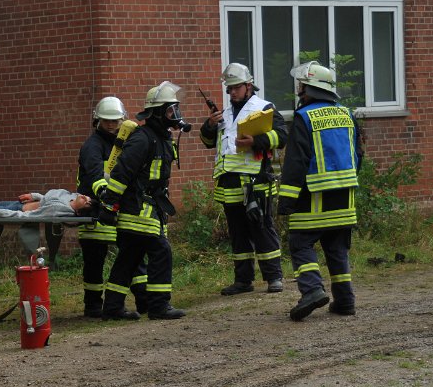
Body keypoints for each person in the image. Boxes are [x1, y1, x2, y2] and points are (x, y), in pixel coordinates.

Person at [97, 81, 188, 321]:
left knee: (129, 258)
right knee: (161, 252)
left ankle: (113, 307)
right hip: (138, 210)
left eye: (176, 110)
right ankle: (159, 305)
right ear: (157, 113)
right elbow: (121, 173)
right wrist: (109, 204)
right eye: (170, 111)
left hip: (147, 209)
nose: (175, 116)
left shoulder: (161, 138)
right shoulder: (142, 139)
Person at [278, 61, 362, 321]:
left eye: (301, 86)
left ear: (310, 89)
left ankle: (312, 290)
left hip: (312, 198)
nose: (299, 91)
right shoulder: (346, 114)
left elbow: (295, 163)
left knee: (300, 242)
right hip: (344, 197)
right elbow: (358, 155)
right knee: (336, 247)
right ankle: (345, 300)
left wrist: (286, 200)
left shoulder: (304, 118)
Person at [199, 63, 287, 296]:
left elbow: (282, 135)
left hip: (256, 180)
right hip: (229, 182)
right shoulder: (224, 115)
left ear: (248, 86)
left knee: (262, 227)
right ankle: (243, 280)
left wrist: (255, 141)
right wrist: (209, 126)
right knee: (237, 231)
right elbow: (209, 143)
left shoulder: (264, 108)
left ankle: (274, 277)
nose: (232, 93)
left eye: (236, 88)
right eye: (229, 89)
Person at [76, 97, 148, 318]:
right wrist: (108, 199)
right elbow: (96, 176)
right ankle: (93, 306)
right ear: (97, 120)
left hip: (117, 210)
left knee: (133, 257)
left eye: (115, 120)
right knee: (94, 262)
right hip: (94, 209)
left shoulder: (126, 143)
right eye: (106, 120)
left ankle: (145, 301)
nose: (111, 125)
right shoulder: (92, 146)